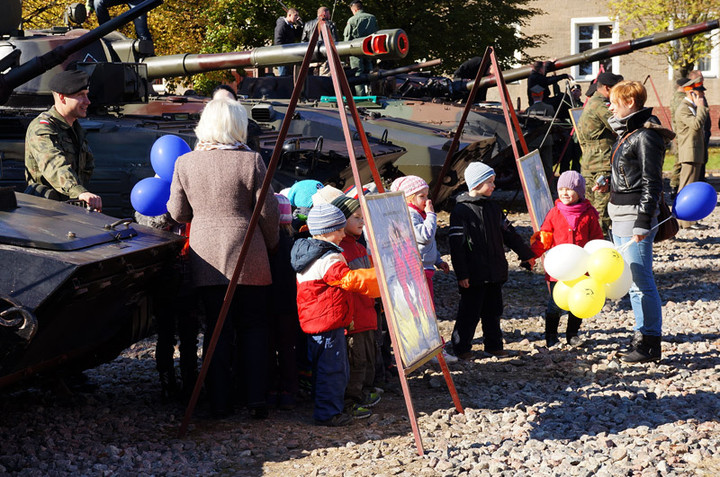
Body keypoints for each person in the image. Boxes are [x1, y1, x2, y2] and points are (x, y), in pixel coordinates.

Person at [167, 98, 280, 418]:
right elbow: (268, 213)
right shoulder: (252, 161)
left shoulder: (185, 163)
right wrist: (271, 245)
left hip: (207, 256)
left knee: (216, 329)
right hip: (249, 253)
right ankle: (256, 398)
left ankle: (219, 401)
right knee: (254, 327)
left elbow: (177, 212)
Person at [603, 80, 674, 363]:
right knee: (632, 281)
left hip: (634, 217)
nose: (610, 106)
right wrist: (609, 182)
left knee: (642, 281)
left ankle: (650, 342)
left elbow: (652, 183)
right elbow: (630, 172)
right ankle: (640, 334)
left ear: (630, 102)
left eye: (614, 102)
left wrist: (643, 222)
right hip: (620, 215)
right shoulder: (627, 134)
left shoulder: (645, 136)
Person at [290, 203, 380, 426]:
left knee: (322, 370)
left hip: (316, 322)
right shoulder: (328, 258)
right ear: (325, 231)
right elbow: (348, 280)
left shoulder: (307, 253)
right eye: (338, 230)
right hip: (329, 324)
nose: (342, 234)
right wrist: (380, 277)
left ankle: (324, 407)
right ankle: (328, 413)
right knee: (333, 370)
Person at [448, 162, 535, 359]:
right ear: (476, 184)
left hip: (495, 272)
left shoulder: (494, 208)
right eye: (490, 182)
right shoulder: (461, 211)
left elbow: (510, 234)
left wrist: (526, 254)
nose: (494, 186)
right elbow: (457, 248)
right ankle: (461, 348)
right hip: (474, 274)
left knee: (493, 312)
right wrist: (462, 274)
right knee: (469, 313)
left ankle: (494, 345)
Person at [529, 171, 604, 347]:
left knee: (579, 302)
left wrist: (597, 259)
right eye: (561, 189)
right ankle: (551, 336)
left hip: (582, 268)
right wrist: (531, 256)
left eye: (569, 190)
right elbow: (544, 238)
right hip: (559, 270)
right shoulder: (554, 213)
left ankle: (572, 334)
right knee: (555, 304)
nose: (565, 193)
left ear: (580, 192)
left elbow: (596, 239)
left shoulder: (589, 213)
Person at [330, 195, 381, 418]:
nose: (361, 222)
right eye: (356, 217)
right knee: (356, 360)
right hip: (355, 317)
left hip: (368, 311)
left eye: (363, 217)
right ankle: (351, 400)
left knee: (369, 354)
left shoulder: (359, 247)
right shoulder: (342, 251)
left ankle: (364, 391)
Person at [25, 69, 102, 211]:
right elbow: (53, 165)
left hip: (70, 208)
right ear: (62, 97)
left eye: (87, 95)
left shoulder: (75, 129)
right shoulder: (42, 128)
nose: (88, 101)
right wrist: (80, 191)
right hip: (44, 211)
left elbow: (86, 168)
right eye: (81, 95)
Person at [576, 71, 623, 236]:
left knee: (592, 208)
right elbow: (621, 125)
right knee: (601, 211)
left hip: (592, 162)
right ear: (608, 89)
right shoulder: (600, 105)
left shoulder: (592, 103)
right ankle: (599, 245)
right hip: (601, 163)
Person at [267, 194, 300, 410]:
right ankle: (289, 391)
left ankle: (270, 390)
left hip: (266, 303)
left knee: (267, 347)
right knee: (288, 348)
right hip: (290, 305)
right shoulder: (295, 244)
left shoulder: (263, 245)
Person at [674, 77, 709, 229]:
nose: (702, 97)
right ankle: (683, 221)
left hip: (695, 152)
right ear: (692, 93)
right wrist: (701, 107)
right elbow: (696, 125)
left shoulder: (691, 107)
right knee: (686, 186)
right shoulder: (683, 108)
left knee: (691, 186)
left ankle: (689, 218)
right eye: (699, 95)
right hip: (689, 153)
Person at [344, 0, 378, 95]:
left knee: (357, 73)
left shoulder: (352, 20)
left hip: (355, 49)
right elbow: (376, 32)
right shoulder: (372, 18)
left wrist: (346, 53)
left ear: (354, 9)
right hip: (369, 49)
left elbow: (347, 37)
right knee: (370, 71)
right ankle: (371, 93)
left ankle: (361, 96)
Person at [274, 8, 303, 76]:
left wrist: (299, 25)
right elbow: (278, 41)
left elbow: (297, 35)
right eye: (295, 15)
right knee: (284, 76)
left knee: (289, 76)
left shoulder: (290, 26)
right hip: (283, 55)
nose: (297, 18)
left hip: (289, 55)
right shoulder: (282, 25)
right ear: (289, 15)